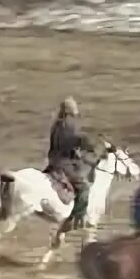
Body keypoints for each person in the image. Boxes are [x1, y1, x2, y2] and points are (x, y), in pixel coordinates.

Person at [45, 96, 96, 232]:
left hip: (53, 160)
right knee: (84, 188)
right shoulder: (69, 124)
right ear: (70, 110)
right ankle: (76, 219)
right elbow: (72, 141)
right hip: (63, 163)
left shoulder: (57, 124)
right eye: (74, 107)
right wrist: (86, 144)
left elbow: (61, 144)